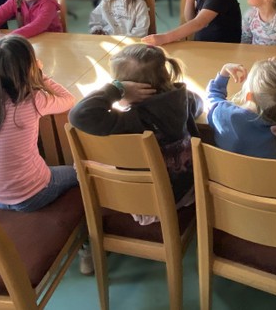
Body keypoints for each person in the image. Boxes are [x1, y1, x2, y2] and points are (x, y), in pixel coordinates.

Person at [69, 43, 203, 208]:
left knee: (83, 163)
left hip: (148, 200)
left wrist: (117, 90)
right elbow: (199, 104)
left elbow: (79, 115)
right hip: (187, 188)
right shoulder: (184, 99)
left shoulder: (132, 120)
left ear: (131, 88)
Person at [0, 35, 76, 212]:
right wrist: (41, 75)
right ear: (30, 68)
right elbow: (69, 99)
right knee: (78, 172)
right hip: (31, 195)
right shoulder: (34, 100)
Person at [207, 59, 276, 161]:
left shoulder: (226, 116)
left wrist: (223, 74)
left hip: (224, 171)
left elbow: (211, 99)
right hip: (267, 172)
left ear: (249, 96)